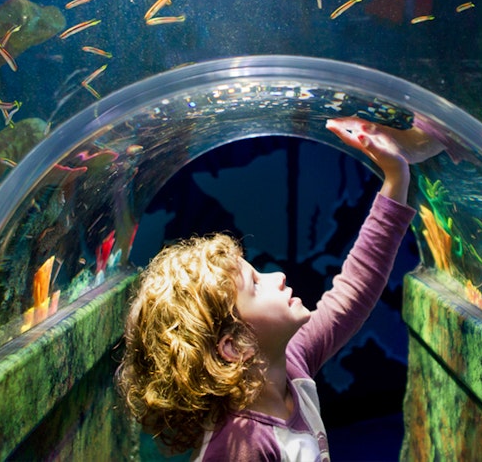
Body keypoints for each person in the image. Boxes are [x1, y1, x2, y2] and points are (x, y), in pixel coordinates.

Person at [116, 116, 422, 461]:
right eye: (256, 284)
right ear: (234, 346)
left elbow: (354, 289)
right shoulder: (241, 447)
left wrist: (396, 177)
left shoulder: (289, 364)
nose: (278, 276)